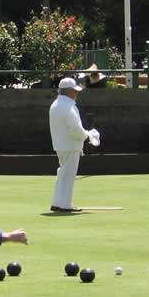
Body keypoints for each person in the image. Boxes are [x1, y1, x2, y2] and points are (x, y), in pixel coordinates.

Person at [49, 77, 98, 212]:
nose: (77, 94)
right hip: (70, 146)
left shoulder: (55, 104)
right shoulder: (68, 107)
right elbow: (75, 128)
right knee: (68, 175)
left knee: (63, 174)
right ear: (69, 91)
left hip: (60, 145)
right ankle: (65, 205)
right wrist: (87, 136)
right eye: (75, 91)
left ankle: (57, 203)